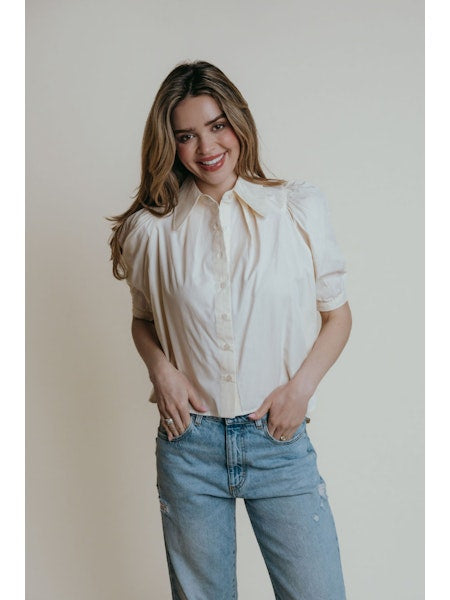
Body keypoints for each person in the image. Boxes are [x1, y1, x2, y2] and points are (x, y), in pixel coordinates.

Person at [108, 60, 352, 600]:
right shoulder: (151, 231)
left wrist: (300, 390)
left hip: (278, 441)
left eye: (217, 125)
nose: (206, 147)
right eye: (186, 135)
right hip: (189, 445)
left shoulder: (296, 209)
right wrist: (162, 372)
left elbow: (337, 315)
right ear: (170, 145)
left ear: (238, 123)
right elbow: (144, 319)